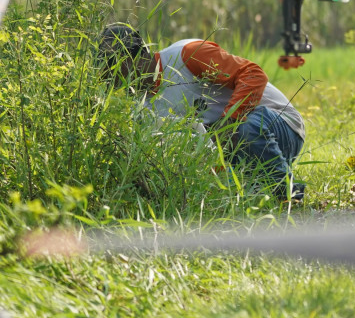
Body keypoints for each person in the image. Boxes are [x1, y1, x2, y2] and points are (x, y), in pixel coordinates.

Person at [98, 23, 306, 201]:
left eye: (113, 69)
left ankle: (287, 195)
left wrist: (229, 123)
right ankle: (256, 189)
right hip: (240, 149)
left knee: (242, 127)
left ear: (131, 58)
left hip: (281, 125)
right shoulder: (142, 106)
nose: (113, 80)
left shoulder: (188, 54)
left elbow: (253, 74)